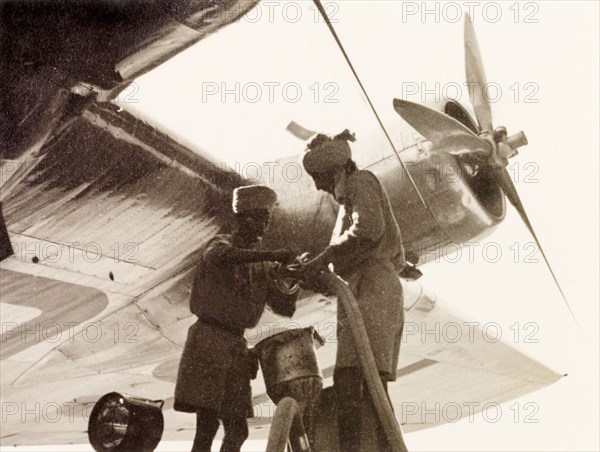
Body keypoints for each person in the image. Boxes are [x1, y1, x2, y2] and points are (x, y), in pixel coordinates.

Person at [300, 130, 405, 451]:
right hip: (361, 292)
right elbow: (351, 251)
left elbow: (369, 230)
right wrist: (314, 269)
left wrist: (323, 257)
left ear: (335, 171)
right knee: (367, 386)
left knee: (358, 383)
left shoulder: (360, 182)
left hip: (373, 289)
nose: (319, 186)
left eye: (319, 178)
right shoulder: (350, 199)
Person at [174, 185, 298, 452]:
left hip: (235, 346)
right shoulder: (220, 244)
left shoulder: (262, 264)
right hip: (209, 339)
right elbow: (220, 257)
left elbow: (284, 308)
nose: (263, 225)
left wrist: (294, 278)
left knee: (238, 430)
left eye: (266, 219)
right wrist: (273, 256)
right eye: (257, 218)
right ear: (240, 220)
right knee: (206, 428)